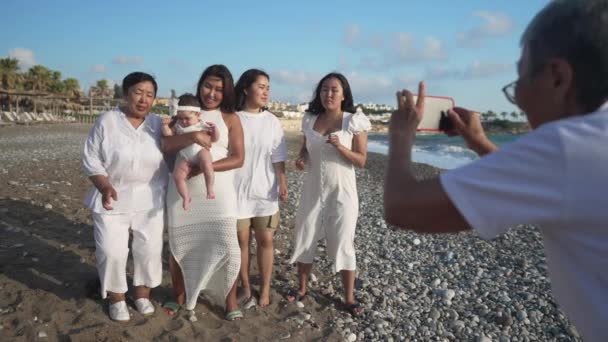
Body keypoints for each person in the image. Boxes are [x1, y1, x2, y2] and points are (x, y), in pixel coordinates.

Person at [383, 1, 608, 341]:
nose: (517, 95)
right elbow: (544, 181)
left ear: (558, 77)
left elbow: (402, 207)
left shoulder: (568, 146)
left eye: (520, 79)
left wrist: (400, 135)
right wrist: (478, 143)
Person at [82, 72, 169, 322]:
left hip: (150, 197)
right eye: (138, 92)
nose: (143, 99)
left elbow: (175, 151)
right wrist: (104, 186)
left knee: (149, 249)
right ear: (125, 94)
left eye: (149, 95)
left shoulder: (157, 125)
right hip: (112, 195)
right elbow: (91, 157)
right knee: (112, 251)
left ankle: (142, 294)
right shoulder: (107, 121)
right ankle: (116, 297)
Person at [162, 64, 245, 321]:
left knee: (229, 246)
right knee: (181, 245)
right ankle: (179, 296)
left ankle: (229, 300)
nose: (212, 93)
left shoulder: (231, 118)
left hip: (217, 191)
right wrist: (192, 135)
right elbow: (166, 145)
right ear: (200, 85)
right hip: (182, 189)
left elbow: (238, 158)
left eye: (219, 89)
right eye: (208, 86)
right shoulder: (183, 114)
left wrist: (202, 169)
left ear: (226, 92)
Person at [288, 72, 370, 316]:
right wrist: (302, 159)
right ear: (319, 93)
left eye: (334, 89)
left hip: (342, 192)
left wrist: (340, 147)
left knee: (344, 241)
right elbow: (305, 148)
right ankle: (302, 288)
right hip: (313, 190)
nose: (329, 94)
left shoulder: (354, 121)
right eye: (324, 89)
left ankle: (348, 298)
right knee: (305, 235)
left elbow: (362, 160)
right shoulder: (310, 119)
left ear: (344, 94)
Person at [233, 69, 288, 308]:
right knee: (241, 242)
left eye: (268, 87)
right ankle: (245, 288)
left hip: (265, 191)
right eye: (261, 86)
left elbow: (278, 155)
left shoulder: (272, 121)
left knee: (266, 240)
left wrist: (283, 181)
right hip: (236, 192)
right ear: (246, 88)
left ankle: (264, 290)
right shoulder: (232, 118)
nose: (266, 91)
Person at [161, 93, 219, 208]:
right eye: (180, 118)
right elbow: (169, 136)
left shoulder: (202, 125)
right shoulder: (178, 126)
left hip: (200, 152)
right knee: (177, 176)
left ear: (198, 115)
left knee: (207, 165)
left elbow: (214, 139)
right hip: (184, 156)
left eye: (187, 118)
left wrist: (215, 130)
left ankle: (210, 188)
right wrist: (165, 127)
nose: (184, 122)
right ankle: (186, 196)